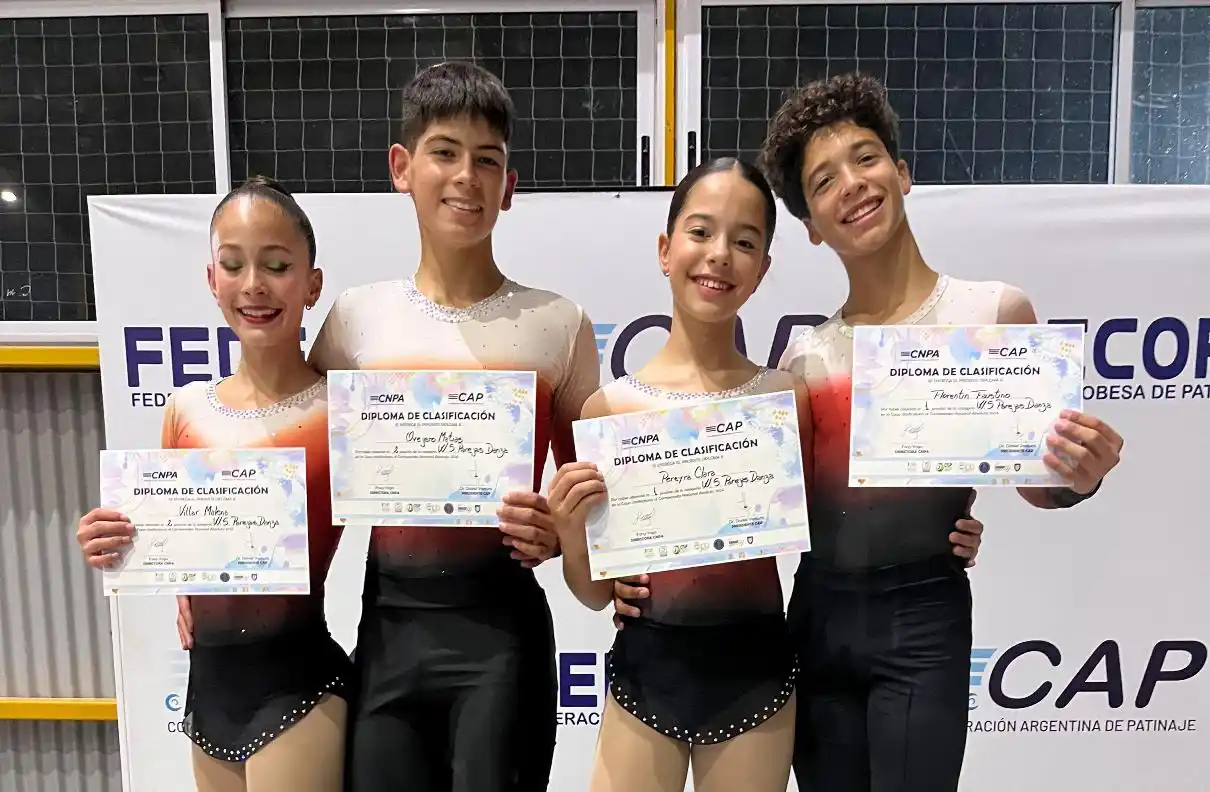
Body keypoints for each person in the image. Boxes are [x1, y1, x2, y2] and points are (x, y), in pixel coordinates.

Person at [755, 72, 1125, 792]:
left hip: (923, 621)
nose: (853, 185)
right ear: (810, 225)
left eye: (866, 159)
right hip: (816, 621)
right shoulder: (804, 357)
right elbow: (770, 508)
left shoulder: (992, 311)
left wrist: (1080, 476)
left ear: (901, 171)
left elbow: (1039, 484)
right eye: (824, 180)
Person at [304, 61, 600, 792]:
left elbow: (596, 502)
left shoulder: (557, 325)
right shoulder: (354, 320)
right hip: (387, 632)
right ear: (402, 167)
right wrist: (201, 575)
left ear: (511, 185)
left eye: (487, 159)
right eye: (445, 152)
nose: (466, 175)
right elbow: (299, 477)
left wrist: (560, 531)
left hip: (502, 640)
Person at [75, 176, 352, 792]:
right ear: (211, 280)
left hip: (298, 687)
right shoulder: (184, 410)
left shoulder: (343, 412)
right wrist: (115, 541)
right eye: (234, 264)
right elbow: (173, 540)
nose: (254, 284)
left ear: (312, 285)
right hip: (208, 689)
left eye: (276, 265)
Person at [549, 157, 804, 792]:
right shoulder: (611, 411)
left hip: (756, 677)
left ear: (762, 270)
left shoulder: (784, 400)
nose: (719, 255)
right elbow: (593, 592)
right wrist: (570, 529)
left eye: (744, 242)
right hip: (645, 675)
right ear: (665, 249)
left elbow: (840, 521)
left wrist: (947, 529)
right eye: (700, 232)